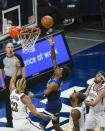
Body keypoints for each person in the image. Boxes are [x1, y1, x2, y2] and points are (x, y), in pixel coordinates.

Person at [28, 36, 71, 131]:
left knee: (41, 126)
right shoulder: (56, 75)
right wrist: (52, 46)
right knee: (56, 126)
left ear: (60, 75)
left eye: (60, 69)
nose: (58, 68)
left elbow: (43, 95)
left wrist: (32, 95)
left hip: (52, 106)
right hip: (55, 103)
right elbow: (54, 58)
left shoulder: (54, 84)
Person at [9, 61, 57, 131]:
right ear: (25, 86)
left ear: (16, 85)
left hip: (15, 124)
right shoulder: (25, 98)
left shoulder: (12, 91)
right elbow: (36, 114)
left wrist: (17, 69)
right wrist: (49, 116)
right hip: (24, 123)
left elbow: (12, 81)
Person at [0, 42, 25, 127]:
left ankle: (24, 117)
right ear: (6, 49)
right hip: (8, 79)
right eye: (8, 47)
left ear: (13, 48)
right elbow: (1, 70)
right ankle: (9, 120)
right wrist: (2, 82)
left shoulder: (18, 56)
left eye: (11, 47)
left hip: (18, 79)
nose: (10, 49)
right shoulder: (3, 58)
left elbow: (23, 66)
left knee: (21, 98)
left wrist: (23, 78)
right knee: (8, 100)